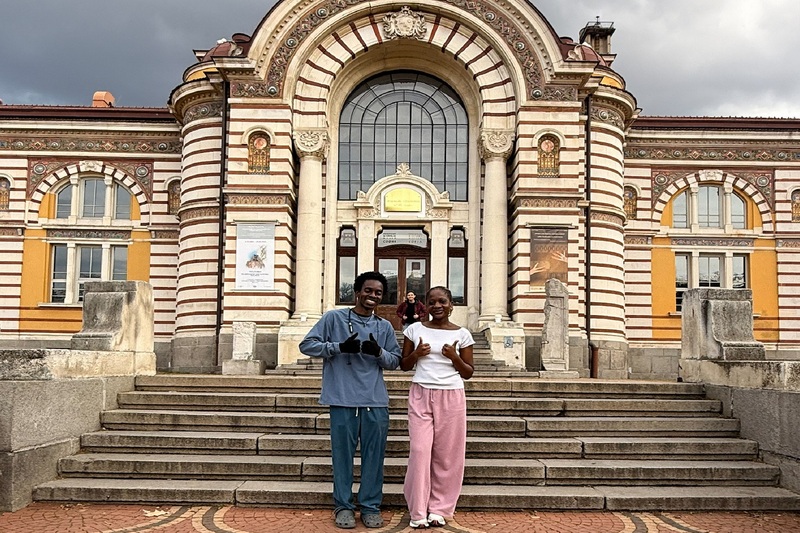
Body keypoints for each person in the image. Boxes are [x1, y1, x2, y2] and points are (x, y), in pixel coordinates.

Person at [299, 271, 402, 529]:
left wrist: (378, 352)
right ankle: (343, 506)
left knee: (374, 458)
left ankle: (369, 506)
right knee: (342, 457)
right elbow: (307, 345)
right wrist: (338, 347)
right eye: (368, 290)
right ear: (357, 291)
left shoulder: (384, 326)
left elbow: (396, 361)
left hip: (375, 401)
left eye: (378, 293)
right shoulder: (333, 318)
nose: (372, 296)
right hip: (342, 399)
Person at [400, 286, 474, 529]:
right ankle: (418, 510)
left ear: (451, 304)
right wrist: (417, 354)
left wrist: (454, 356)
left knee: (447, 455)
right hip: (421, 392)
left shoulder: (463, 334)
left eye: (442, 301)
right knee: (420, 451)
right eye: (432, 302)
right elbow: (404, 365)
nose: (437, 305)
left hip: (452, 395)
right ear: (425, 306)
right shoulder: (414, 329)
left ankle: (440, 509)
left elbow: (468, 373)